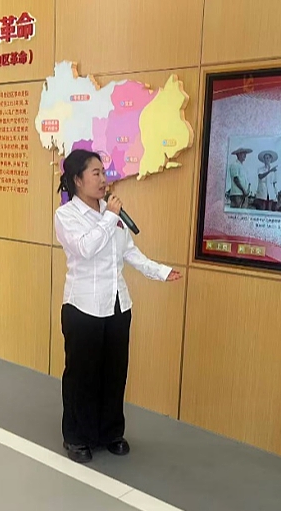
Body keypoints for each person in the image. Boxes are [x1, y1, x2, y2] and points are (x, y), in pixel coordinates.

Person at [54, 149, 182, 464]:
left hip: (117, 305)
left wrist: (160, 271)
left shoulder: (111, 213)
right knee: (82, 375)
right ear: (77, 180)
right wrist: (110, 217)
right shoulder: (67, 216)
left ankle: (110, 432)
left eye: (104, 172)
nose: (103, 179)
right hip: (83, 307)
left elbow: (130, 253)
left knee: (114, 372)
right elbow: (85, 248)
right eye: (96, 173)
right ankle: (77, 436)